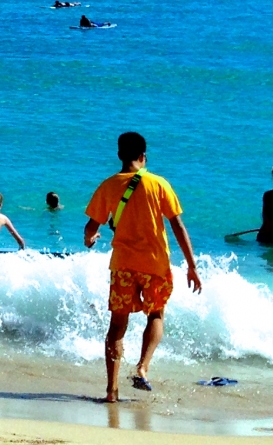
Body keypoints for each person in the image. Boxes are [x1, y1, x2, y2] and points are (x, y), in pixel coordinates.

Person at [83, 132, 201, 402]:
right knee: (156, 315)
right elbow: (177, 226)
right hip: (155, 265)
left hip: (123, 265)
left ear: (119, 155)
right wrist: (192, 266)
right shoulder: (158, 184)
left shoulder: (108, 185)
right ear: (143, 156)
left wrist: (90, 239)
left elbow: (90, 229)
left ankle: (112, 392)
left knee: (117, 327)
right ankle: (142, 367)